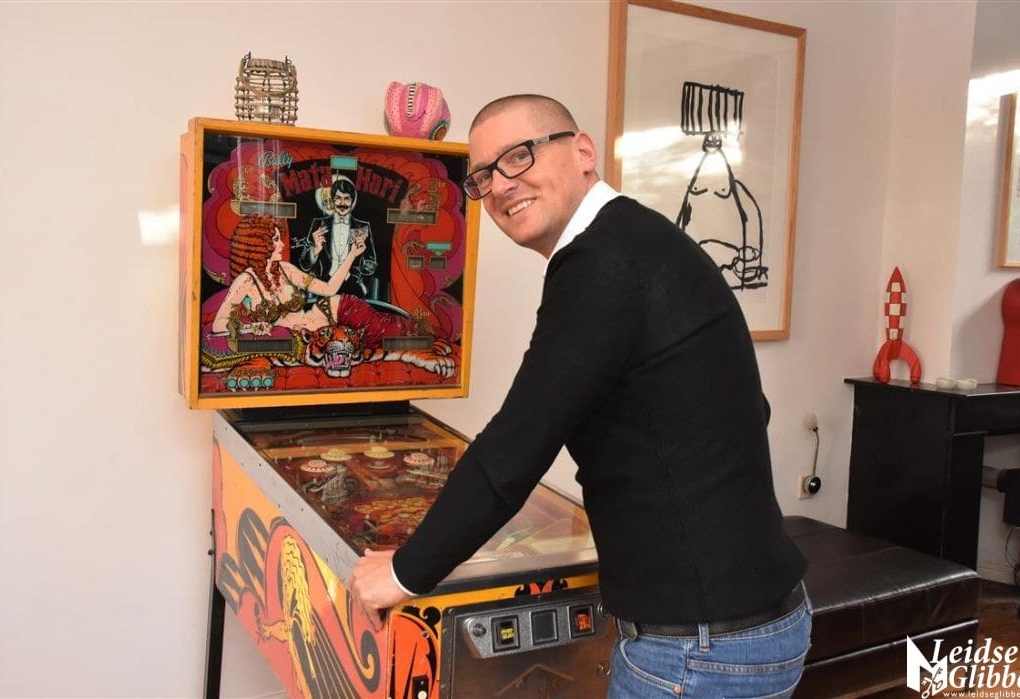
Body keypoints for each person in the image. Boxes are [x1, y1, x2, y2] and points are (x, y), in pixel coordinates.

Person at [348, 95, 810, 698]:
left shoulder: (602, 263)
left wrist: (405, 572)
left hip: (699, 647)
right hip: (739, 621)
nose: (500, 185)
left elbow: (516, 446)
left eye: (519, 156)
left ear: (584, 151)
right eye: (483, 177)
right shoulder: (634, 238)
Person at [212, 214, 406, 344]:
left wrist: (352, 255)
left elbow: (328, 289)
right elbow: (218, 323)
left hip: (334, 310)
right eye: (275, 240)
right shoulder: (246, 281)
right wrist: (250, 327)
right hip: (310, 336)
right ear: (259, 243)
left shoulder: (287, 270)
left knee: (391, 331)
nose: (281, 245)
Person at [293, 175, 379, 300]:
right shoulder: (318, 224)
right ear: (332, 201)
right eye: (338, 198)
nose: (342, 203)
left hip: (353, 288)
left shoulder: (362, 227)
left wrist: (363, 285)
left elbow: (371, 262)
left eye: (347, 199)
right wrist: (315, 250)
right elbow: (304, 264)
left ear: (352, 201)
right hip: (325, 287)